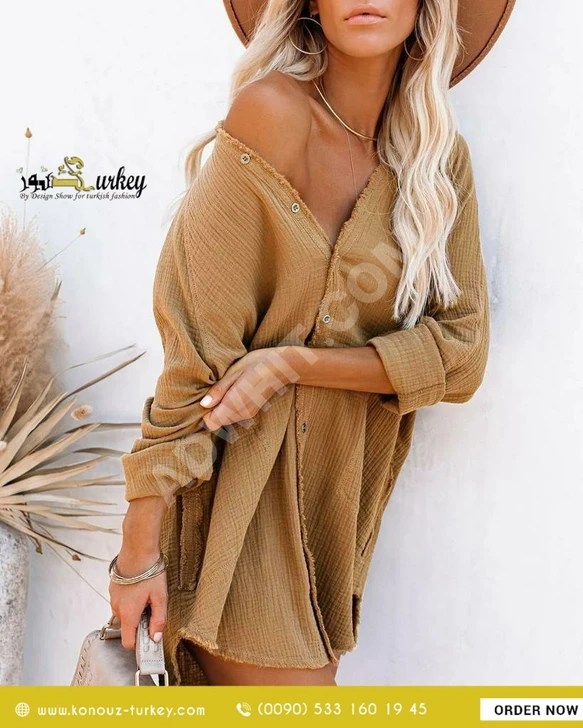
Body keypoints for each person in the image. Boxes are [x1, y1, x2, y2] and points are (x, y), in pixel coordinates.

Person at [109, 0, 511, 686]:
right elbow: (195, 355)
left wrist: (295, 364)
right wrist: (137, 551)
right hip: (236, 515)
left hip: (333, 525)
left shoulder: (436, 162)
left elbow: (462, 356)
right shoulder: (270, 114)